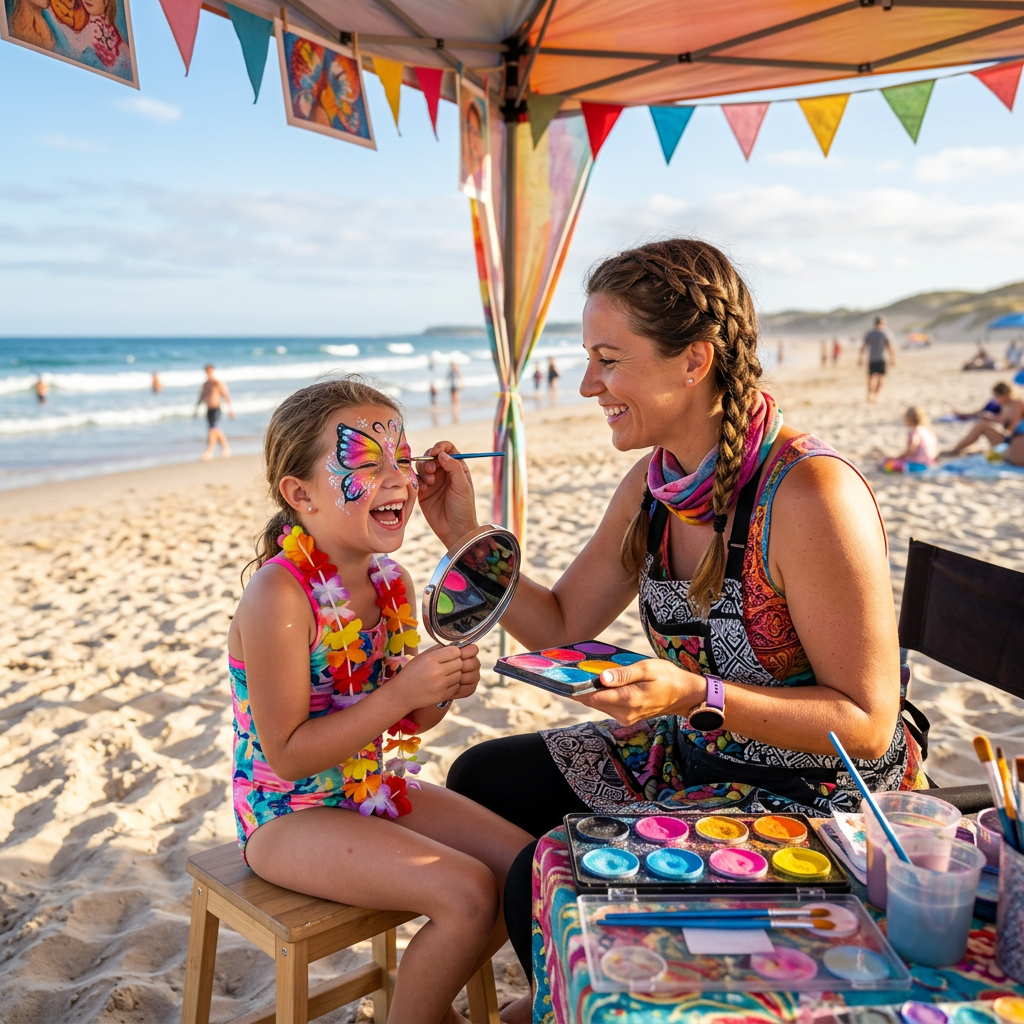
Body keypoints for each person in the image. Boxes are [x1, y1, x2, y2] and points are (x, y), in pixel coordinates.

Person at [417, 240, 924, 999]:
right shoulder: (653, 488)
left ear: (694, 360)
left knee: (536, 872)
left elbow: (868, 724)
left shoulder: (810, 493)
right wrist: (465, 537)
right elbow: (558, 627)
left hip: (822, 795)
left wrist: (695, 696)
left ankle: (599, 983)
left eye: (608, 359)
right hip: (696, 755)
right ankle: (579, 981)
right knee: (478, 778)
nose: (588, 384)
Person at [228, 379, 532, 1024]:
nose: (398, 477)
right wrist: (404, 689)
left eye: (403, 455)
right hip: (288, 814)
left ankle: (428, 1008)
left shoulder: (389, 580)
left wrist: (439, 690)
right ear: (300, 493)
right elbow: (287, 756)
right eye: (367, 462)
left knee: (528, 872)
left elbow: (408, 719)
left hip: (368, 786)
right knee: (471, 893)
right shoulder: (279, 597)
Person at [942, 382, 1024, 465]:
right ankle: (957, 449)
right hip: (1011, 439)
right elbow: (1004, 422)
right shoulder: (1006, 405)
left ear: (1004, 395)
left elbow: (1013, 428)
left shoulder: (1017, 404)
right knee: (982, 424)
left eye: (997, 396)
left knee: (981, 426)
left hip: (1013, 441)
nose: (996, 399)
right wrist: (992, 419)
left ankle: (956, 450)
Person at [880, 407, 938, 473]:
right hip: (931, 462)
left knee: (886, 464)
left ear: (910, 419)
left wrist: (897, 457)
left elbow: (910, 451)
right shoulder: (927, 430)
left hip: (920, 465)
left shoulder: (915, 432)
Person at [195, 363, 234, 461]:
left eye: (210, 371)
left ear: (212, 371)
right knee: (214, 430)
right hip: (209, 410)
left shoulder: (217, 383)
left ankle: (209, 451)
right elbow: (201, 396)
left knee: (212, 429)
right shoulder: (205, 384)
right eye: (207, 371)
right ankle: (226, 448)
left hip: (216, 409)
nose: (208, 373)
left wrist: (230, 410)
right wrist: (196, 408)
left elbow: (226, 396)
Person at [859, 316, 895, 402]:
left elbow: (863, 347)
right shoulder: (885, 333)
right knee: (881, 379)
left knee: (871, 378)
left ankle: (871, 394)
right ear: (881, 323)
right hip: (881, 359)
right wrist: (892, 358)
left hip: (872, 359)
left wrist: (860, 358)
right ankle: (875, 395)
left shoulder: (869, 333)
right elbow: (890, 347)